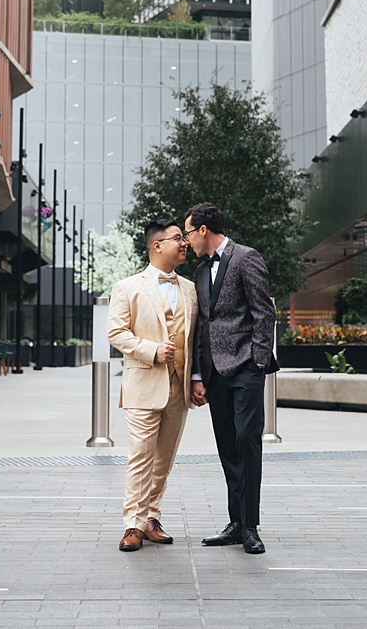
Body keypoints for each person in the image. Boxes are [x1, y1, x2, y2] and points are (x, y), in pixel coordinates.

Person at [184, 202, 277, 555]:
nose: (187, 239)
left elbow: (263, 313)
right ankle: (235, 522)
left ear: (204, 230)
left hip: (244, 370)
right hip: (214, 374)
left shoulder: (246, 257)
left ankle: (250, 526)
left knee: (247, 443)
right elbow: (202, 324)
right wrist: (198, 374)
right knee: (227, 449)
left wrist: (257, 362)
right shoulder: (199, 271)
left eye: (189, 232)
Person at [107, 219, 198, 552]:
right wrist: (151, 350)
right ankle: (132, 524)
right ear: (157, 246)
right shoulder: (127, 287)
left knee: (164, 458)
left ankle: (151, 518)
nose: (184, 243)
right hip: (144, 383)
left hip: (180, 386)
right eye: (178, 238)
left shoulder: (190, 288)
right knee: (140, 456)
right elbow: (116, 333)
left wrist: (197, 378)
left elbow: (196, 339)